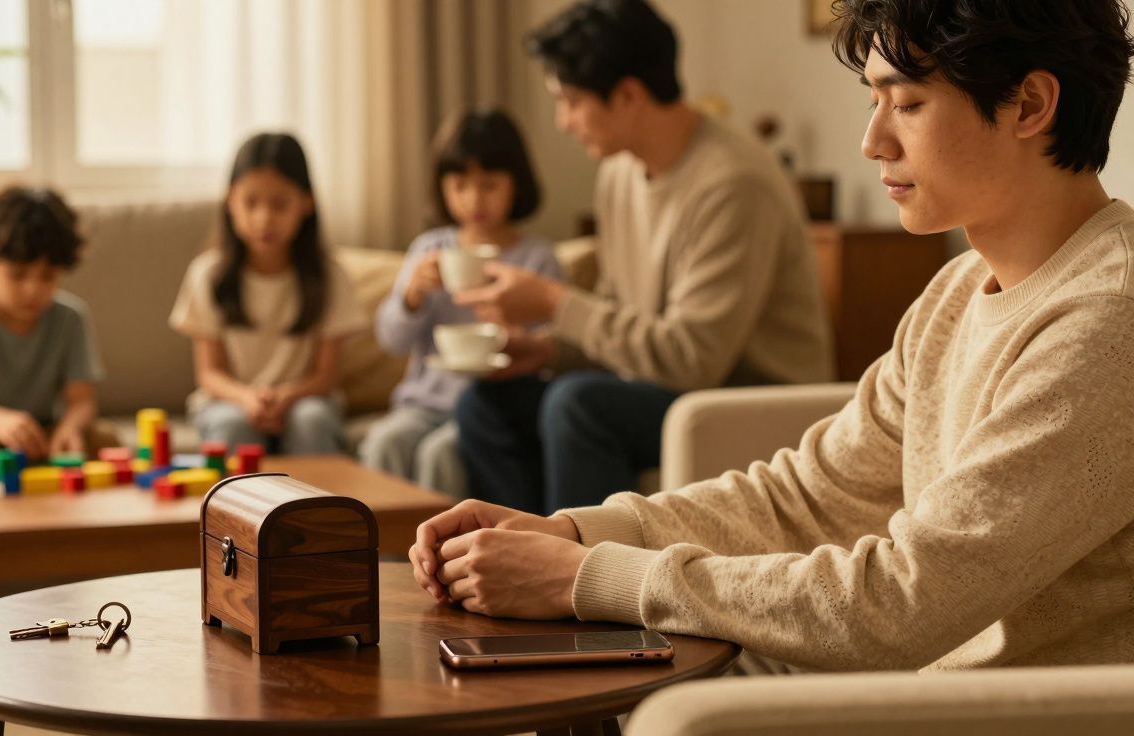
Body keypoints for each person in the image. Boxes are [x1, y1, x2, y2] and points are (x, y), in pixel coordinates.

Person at [411, 0, 1134, 673]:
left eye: (908, 104)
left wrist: (588, 579)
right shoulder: (956, 289)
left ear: (1030, 105)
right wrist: (574, 535)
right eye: (874, 102)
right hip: (913, 683)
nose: (872, 141)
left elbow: (905, 600)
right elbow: (806, 498)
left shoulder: (1106, 321)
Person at [451, 0, 833, 514]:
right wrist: (546, 352)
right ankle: (511, 549)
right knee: (484, 406)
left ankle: (576, 563)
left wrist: (555, 302)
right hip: (671, 389)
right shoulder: (620, 173)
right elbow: (621, 321)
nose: (563, 122)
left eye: (570, 102)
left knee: (579, 405)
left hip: (746, 403)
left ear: (629, 95)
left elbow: (692, 360)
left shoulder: (733, 184)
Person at [360, 108, 563, 498]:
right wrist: (411, 297)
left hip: (491, 410)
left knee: (441, 454)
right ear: (442, 188)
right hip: (422, 404)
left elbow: (551, 350)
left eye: (489, 185)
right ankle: (383, 540)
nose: (474, 199)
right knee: (386, 441)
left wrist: (510, 330)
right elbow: (391, 340)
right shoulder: (430, 250)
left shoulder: (536, 259)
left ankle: (440, 540)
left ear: (516, 184)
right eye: (460, 185)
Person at [170, 133, 366, 454]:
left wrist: (286, 397)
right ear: (230, 201)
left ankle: (317, 492)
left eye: (279, 204)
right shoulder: (208, 274)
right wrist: (247, 398)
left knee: (311, 420)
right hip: (229, 401)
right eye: (251, 203)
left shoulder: (330, 276)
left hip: (306, 399)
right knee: (232, 425)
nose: (264, 218)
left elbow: (326, 376)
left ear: (306, 202)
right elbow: (209, 373)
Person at [0, 185, 119, 468]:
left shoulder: (71, 319)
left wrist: (69, 428)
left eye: (48, 276)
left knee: (104, 438)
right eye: (17, 275)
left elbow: (82, 401)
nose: (33, 290)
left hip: (41, 434)